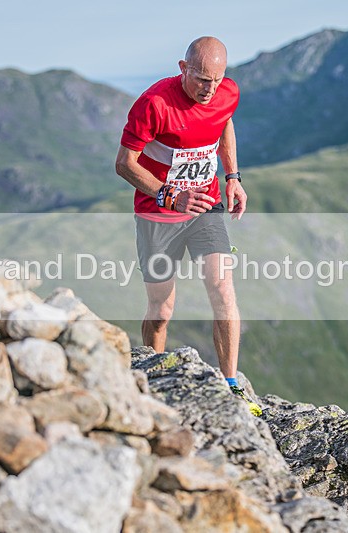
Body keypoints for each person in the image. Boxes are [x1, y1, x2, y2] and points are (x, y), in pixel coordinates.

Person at [115, 36, 261, 416]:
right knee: (161, 308)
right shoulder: (154, 104)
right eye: (199, 79)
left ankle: (231, 385)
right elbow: (124, 164)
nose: (208, 89)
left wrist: (233, 176)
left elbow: (223, 123)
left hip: (205, 207)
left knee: (222, 288)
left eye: (216, 79)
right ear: (183, 68)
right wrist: (168, 194)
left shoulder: (226, 93)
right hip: (157, 213)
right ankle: (152, 378)